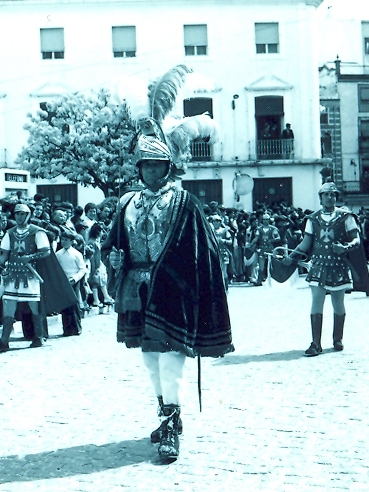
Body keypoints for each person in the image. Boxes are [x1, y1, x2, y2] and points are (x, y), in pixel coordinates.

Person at [101, 134, 233, 461]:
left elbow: (204, 249)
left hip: (174, 291)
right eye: (145, 164)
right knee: (149, 360)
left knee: (171, 359)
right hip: (137, 290)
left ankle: (171, 426)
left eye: (156, 164)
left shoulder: (184, 202)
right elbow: (112, 243)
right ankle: (167, 415)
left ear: (168, 166)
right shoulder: (127, 203)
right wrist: (113, 259)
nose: (149, 170)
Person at [283, 182, 361, 356]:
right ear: (320, 198)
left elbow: (357, 240)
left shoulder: (346, 217)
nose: (330, 197)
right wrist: (292, 257)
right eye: (326, 194)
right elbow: (305, 244)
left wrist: (346, 247)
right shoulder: (313, 219)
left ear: (336, 197)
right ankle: (316, 343)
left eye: (333, 194)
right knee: (317, 302)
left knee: (338, 303)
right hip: (318, 265)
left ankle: (337, 338)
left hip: (338, 266)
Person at [0, 203, 51, 351]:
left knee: (34, 307)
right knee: (8, 305)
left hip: (30, 275)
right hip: (12, 275)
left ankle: (39, 337)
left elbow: (46, 251)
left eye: (23, 214)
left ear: (29, 215)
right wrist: (1, 266)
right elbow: (4, 255)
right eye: (17, 214)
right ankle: (4, 341)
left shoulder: (37, 232)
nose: (20, 216)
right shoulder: (9, 233)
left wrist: (30, 257)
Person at [56, 230, 86, 336]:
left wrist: (75, 278)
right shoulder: (58, 254)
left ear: (72, 241)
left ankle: (76, 327)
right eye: (62, 239)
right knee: (65, 304)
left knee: (74, 304)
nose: (64, 242)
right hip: (63, 281)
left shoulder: (76, 254)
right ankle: (67, 329)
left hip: (74, 281)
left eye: (66, 240)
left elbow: (82, 269)